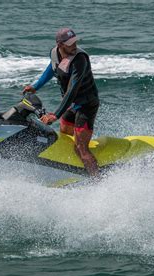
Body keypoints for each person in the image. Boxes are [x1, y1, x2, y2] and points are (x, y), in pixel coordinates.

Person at [23, 28, 100, 176]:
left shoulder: (80, 59)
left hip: (87, 104)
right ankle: (72, 169)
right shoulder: (54, 53)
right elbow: (51, 68)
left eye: (75, 41)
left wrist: (55, 115)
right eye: (70, 43)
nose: (74, 45)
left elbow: (72, 90)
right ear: (60, 45)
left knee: (80, 148)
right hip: (72, 105)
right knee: (64, 136)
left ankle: (98, 180)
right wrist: (35, 87)